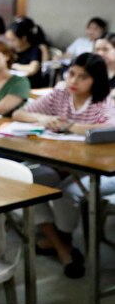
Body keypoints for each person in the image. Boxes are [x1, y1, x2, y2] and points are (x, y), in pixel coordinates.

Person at [13, 53, 115, 279]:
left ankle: (59, 239)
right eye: (71, 74)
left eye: (83, 77)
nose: (74, 81)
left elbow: (108, 128)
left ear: (96, 80)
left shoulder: (101, 101)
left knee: (67, 193)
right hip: (63, 161)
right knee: (30, 180)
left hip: (99, 168)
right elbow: (19, 113)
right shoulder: (60, 95)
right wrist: (41, 119)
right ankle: (61, 245)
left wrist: (69, 125)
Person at [6, 17, 46, 87]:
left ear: (24, 38)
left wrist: (15, 66)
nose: (9, 43)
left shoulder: (34, 50)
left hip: (30, 85)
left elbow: (32, 69)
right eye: (8, 40)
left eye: (13, 40)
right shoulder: (12, 50)